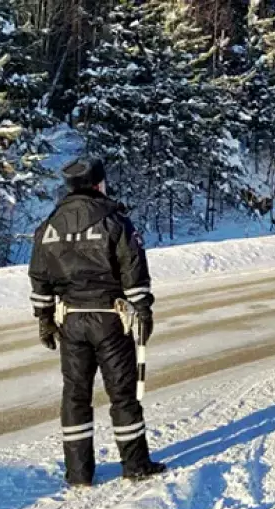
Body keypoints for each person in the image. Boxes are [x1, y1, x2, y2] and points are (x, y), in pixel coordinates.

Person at [28, 156, 167, 487]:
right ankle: (135, 465)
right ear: (99, 184)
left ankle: (78, 473)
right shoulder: (115, 221)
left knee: (75, 395)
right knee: (122, 393)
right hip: (110, 319)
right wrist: (143, 310)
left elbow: (39, 276)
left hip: (71, 320)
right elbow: (133, 269)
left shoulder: (49, 226)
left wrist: (45, 318)